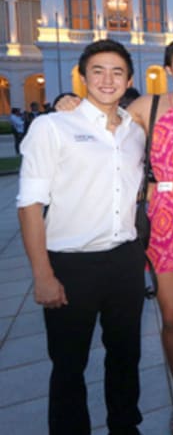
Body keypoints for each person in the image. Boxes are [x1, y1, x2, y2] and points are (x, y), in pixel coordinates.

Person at [59, 36, 173, 432]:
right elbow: (106, 126)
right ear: (169, 70)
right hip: (165, 220)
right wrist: (68, 104)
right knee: (172, 315)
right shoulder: (146, 107)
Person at [17, 39, 146, 435]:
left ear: (128, 80)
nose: (108, 79)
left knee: (125, 357)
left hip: (125, 262)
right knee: (69, 364)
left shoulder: (134, 132)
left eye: (117, 72)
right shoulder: (52, 125)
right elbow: (29, 205)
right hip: (71, 264)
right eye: (98, 70)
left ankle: (125, 426)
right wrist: (43, 274)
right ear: (83, 76)